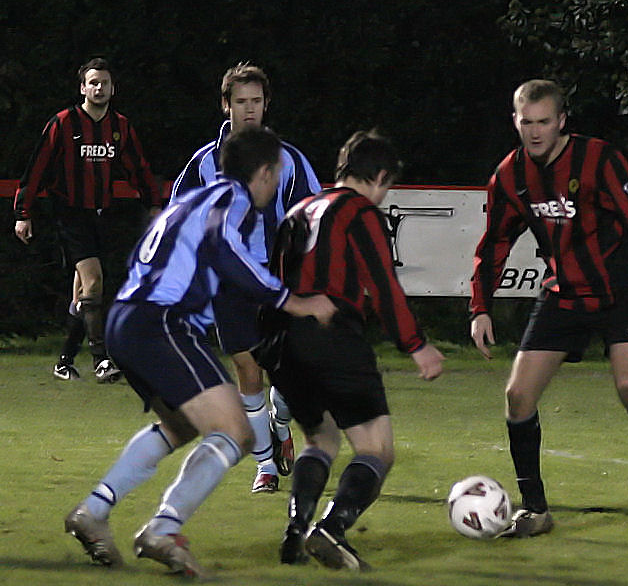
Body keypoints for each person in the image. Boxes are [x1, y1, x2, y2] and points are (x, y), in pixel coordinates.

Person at [63, 125, 336, 578]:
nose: (275, 186)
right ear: (264, 172)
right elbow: (225, 251)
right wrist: (293, 301)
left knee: (180, 424)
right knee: (237, 432)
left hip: (127, 319)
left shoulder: (192, 198)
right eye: (276, 175)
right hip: (161, 323)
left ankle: (94, 510)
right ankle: (164, 530)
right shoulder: (231, 200)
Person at [470, 79, 628, 546]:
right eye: (526, 122)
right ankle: (535, 510)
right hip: (563, 293)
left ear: (561, 122)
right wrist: (480, 307)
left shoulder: (599, 160)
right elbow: (494, 244)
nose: (534, 132)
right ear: (515, 121)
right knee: (517, 396)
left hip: (617, 291)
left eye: (544, 122)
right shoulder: (509, 176)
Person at [270, 130, 445, 571]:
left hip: (283, 342)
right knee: (377, 450)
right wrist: (416, 344)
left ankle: (296, 528)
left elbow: (271, 279)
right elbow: (383, 284)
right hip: (333, 337)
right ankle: (331, 528)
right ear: (380, 176)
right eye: (387, 185)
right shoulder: (360, 211)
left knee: (322, 438)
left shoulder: (299, 209)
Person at [172, 62, 320, 493]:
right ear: (226, 106)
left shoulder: (287, 159)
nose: (249, 109)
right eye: (241, 102)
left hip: (278, 282)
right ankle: (266, 466)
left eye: (256, 101)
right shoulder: (204, 162)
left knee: (289, 374)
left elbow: (313, 212)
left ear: (266, 105)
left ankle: (281, 418)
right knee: (246, 368)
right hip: (229, 285)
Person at [14, 57, 162, 383]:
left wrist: (154, 205)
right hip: (69, 213)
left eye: (104, 83)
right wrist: (23, 213)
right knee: (94, 280)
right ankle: (102, 359)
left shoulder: (120, 127)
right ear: (83, 88)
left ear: (113, 88)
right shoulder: (63, 123)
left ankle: (64, 361)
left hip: (101, 214)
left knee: (84, 292)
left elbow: (138, 168)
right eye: (93, 82)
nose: (99, 88)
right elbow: (36, 169)